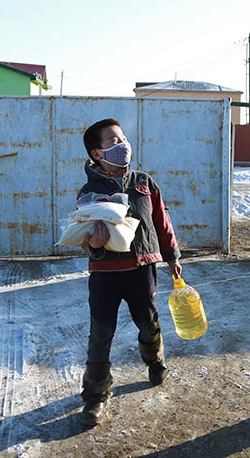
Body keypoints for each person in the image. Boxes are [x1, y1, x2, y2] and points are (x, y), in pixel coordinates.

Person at [77, 118, 183, 426]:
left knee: (148, 323)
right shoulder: (89, 193)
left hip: (142, 268)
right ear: (97, 154)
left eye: (122, 139)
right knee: (101, 334)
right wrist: (96, 246)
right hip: (105, 273)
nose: (122, 145)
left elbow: (161, 221)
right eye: (112, 142)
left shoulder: (144, 182)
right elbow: (84, 238)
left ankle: (154, 359)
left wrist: (172, 255)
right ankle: (96, 394)